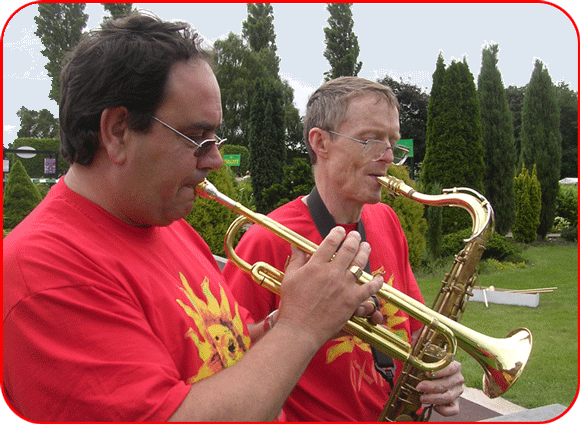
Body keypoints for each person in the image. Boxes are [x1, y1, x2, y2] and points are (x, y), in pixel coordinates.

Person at [2, 13, 385, 422]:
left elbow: (223, 353)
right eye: (198, 138)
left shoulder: (165, 224)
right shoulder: (46, 269)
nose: (216, 160)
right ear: (117, 130)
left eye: (214, 138)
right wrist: (300, 329)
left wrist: (298, 318)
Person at [222, 77, 465, 421]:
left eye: (392, 143)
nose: (388, 157)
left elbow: (412, 330)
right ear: (320, 142)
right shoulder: (267, 239)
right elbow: (225, 355)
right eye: (371, 140)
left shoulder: (387, 220)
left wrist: (439, 374)